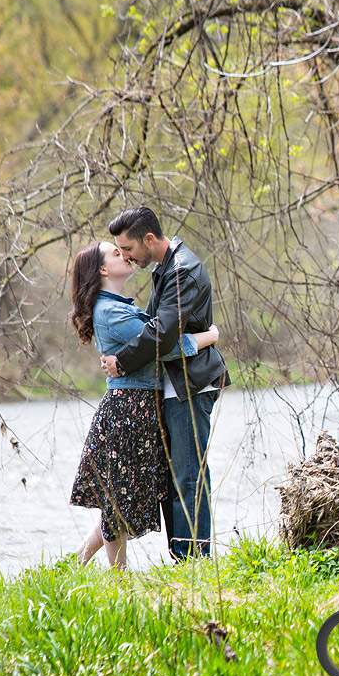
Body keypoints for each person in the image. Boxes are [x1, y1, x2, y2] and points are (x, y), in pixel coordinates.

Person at [68, 241, 220, 569]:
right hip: (127, 410)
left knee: (119, 498)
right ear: (103, 270)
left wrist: (121, 360)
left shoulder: (119, 305)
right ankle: (118, 582)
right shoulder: (112, 311)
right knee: (117, 501)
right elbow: (161, 346)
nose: (125, 255)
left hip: (137, 407)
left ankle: (73, 565)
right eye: (115, 253)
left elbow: (150, 340)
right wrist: (210, 337)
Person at [99, 206, 231, 560]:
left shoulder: (182, 270)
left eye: (127, 249)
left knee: (189, 478)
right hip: (176, 386)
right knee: (179, 479)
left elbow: (163, 334)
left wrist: (122, 361)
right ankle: (186, 559)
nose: (125, 257)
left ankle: (193, 562)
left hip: (191, 385)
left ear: (150, 239)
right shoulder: (168, 269)